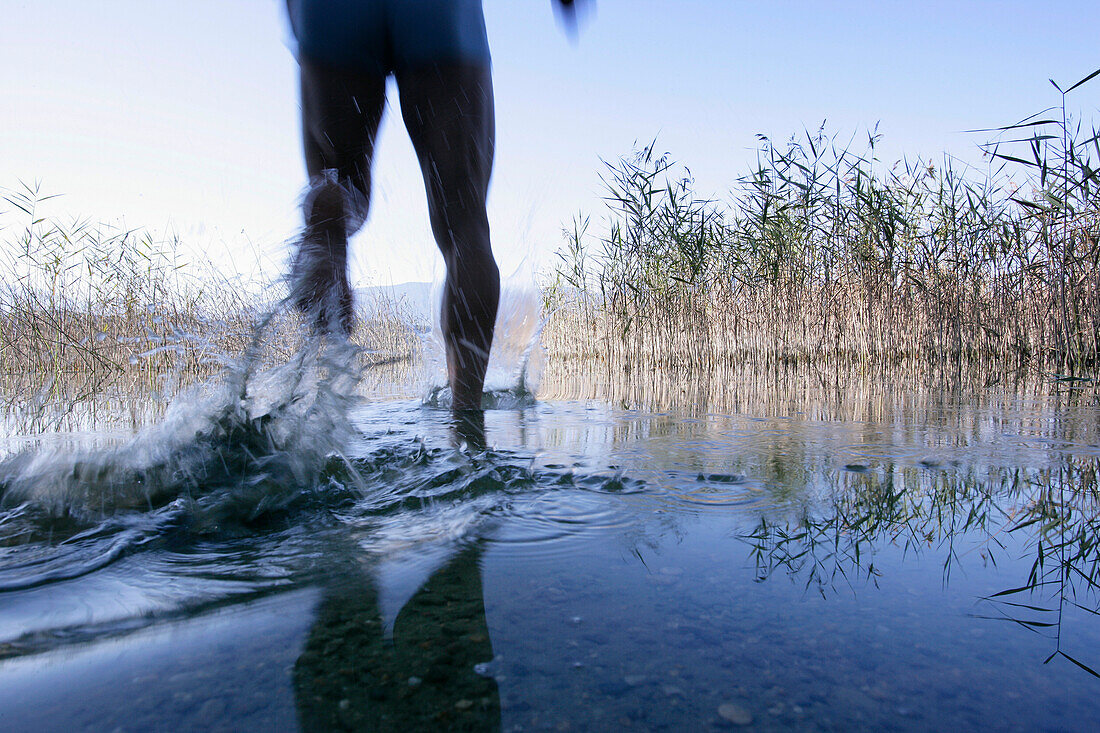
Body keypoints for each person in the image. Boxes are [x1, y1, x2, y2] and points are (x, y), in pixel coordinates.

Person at [286, 0, 582, 412]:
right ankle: (466, 419)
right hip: (439, 15)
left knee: (337, 180)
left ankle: (327, 216)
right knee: (466, 226)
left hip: (333, 12)